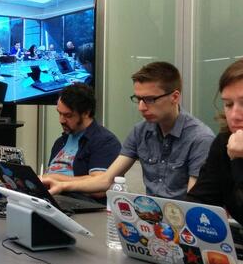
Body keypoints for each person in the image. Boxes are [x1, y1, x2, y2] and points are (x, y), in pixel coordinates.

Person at [42, 62, 215, 200]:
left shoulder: (200, 138)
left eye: (149, 99)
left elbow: (194, 204)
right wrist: (63, 185)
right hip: (150, 220)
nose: (141, 107)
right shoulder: (140, 131)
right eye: (138, 99)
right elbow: (105, 180)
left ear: (174, 97)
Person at [187, 59, 243, 224]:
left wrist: (239, 161)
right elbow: (201, 199)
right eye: (228, 104)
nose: (234, 115)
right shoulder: (224, 140)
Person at [43, 84, 121, 200]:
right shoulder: (60, 142)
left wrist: (53, 178)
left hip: (80, 203)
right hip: (53, 199)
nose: (61, 120)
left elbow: (100, 188)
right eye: (59, 113)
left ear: (86, 113)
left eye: (68, 115)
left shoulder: (105, 141)